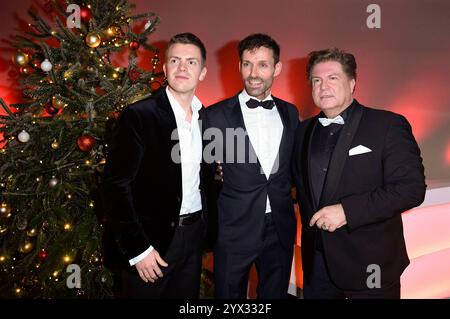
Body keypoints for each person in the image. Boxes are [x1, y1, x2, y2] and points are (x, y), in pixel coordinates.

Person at [292, 48, 426, 299]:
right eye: (317, 80)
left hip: (369, 263)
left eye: (333, 78)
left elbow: (410, 189)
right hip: (317, 264)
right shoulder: (303, 131)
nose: (324, 87)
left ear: (352, 83)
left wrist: (346, 211)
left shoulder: (387, 125)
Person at [102, 33, 211, 298]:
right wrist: (138, 249)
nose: (182, 68)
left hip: (193, 238)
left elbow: (204, 176)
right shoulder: (138, 115)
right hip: (151, 243)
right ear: (165, 69)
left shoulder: (205, 117)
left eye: (191, 62)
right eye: (175, 60)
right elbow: (115, 185)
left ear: (202, 72)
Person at [205, 33, 299, 298]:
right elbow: (205, 173)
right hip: (234, 227)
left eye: (262, 64)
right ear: (239, 66)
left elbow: (293, 167)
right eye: (247, 64)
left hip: (279, 226)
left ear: (277, 68)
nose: (253, 73)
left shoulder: (290, 113)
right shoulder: (215, 116)